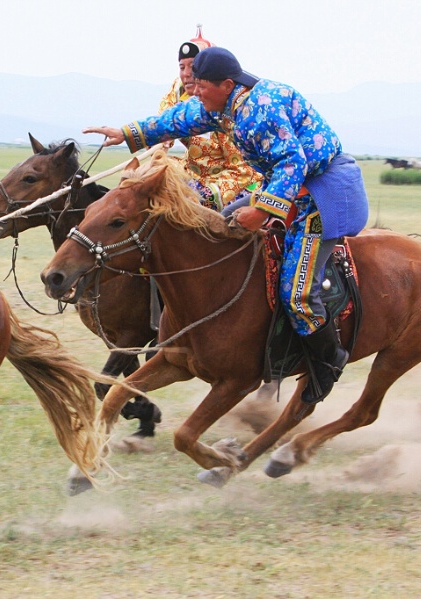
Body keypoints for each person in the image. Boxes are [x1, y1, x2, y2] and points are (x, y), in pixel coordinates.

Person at [84, 46, 369, 404]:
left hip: (321, 191)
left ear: (227, 83)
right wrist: (126, 133)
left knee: (297, 292)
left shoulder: (258, 110)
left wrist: (262, 211)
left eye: (202, 85)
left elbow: (292, 162)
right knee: (219, 231)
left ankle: (328, 362)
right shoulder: (225, 105)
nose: (195, 90)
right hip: (287, 188)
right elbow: (177, 119)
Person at [158, 26, 260, 210]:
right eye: (182, 67)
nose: (187, 74)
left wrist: (202, 200)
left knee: (191, 212)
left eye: (194, 68)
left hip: (235, 180)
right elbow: (161, 123)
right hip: (194, 174)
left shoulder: (229, 105)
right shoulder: (178, 92)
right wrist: (160, 141)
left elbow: (241, 171)